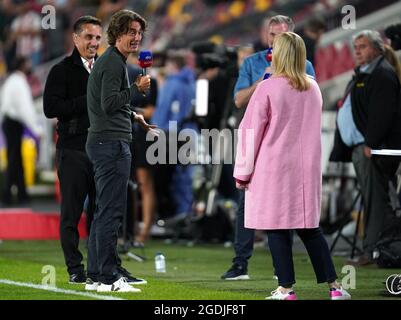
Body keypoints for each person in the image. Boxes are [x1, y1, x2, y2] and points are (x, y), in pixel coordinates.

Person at [234, 32, 351, 300]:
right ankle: (335, 287)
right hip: (305, 170)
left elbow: (250, 133)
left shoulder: (267, 87)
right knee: (309, 228)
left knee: (276, 227)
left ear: (280, 54)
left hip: (272, 168)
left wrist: (242, 172)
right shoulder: (314, 87)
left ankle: (286, 289)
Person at [221, 15, 315, 281]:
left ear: (292, 37)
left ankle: (281, 270)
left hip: (288, 146)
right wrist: (265, 83)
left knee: (286, 205)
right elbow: (239, 100)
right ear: (266, 36)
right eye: (273, 35)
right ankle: (240, 264)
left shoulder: (305, 65)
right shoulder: (253, 62)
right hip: (257, 140)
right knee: (246, 201)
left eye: (282, 35)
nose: (276, 41)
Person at [85, 9, 156, 293]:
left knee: (105, 210)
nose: (136, 37)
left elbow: (111, 104)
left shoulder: (111, 61)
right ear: (117, 33)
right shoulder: (114, 64)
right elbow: (108, 103)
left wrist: (133, 115)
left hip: (105, 141)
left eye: (139, 32)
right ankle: (107, 276)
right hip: (111, 144)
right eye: (130, 32)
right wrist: (136, 90)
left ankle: (98, 273)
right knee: (111, 212)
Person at [330, 30, 401, 266]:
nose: (357, 50)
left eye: (363, 46)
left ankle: (376, 250)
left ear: (378, 49)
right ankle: (375, 248)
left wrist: (371, 143)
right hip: (363, 148)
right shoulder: (366, 74)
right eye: (355, 46)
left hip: (371, 149)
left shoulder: (381, 75)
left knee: (376, 200)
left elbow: (382, 115)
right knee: (372, 199)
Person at [43, 16, 102, 284]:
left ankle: (101, 266)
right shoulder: (61, 70)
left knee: (101, 213)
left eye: (98, 38)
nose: (94, 43)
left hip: (103, 150)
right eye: (89, 37)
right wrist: (88, 97)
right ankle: (75, 269)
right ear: (75, 39)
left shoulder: (105, 69)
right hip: (73, 149)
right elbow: (51, 109)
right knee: (71, 213)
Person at [0, 57, 43, 205]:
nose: (29, 66)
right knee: (13, 160)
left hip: (9, 122)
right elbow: (25, 109)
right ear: (22, 66)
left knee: (16, 159)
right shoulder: (19, 82)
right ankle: (6, 196)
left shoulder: (11, 80)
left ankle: (21, 194)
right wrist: (36, 130)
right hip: (13, 123)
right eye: (27, 63)